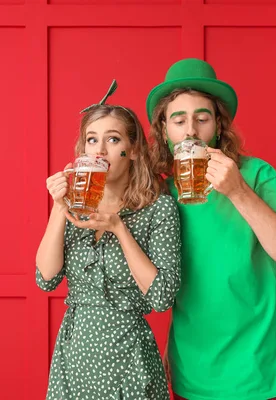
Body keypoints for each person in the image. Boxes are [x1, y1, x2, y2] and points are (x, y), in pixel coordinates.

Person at [146, 59, 276, 400]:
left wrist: (237, 191)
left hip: (254, 372)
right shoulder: (160, 192)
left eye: (202, 118)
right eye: (178, 120)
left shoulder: (256, 176)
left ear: (218, 127)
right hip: (190, 371)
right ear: (165, 132)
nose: (190, 130)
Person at [35, 80, 181, 399]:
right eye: (92, 140)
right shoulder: (77, 206)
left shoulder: (158, 208)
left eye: (113, 139)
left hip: (129, 359)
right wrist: (59, 208)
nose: (99, 151)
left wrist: (119, 228)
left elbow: (161, 297)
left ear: (133, 149)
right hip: (74, 359)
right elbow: (45, 279)